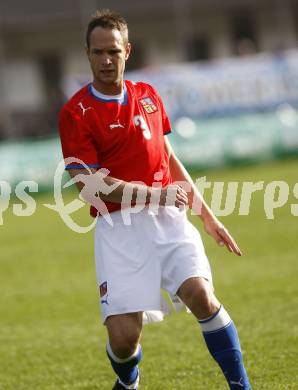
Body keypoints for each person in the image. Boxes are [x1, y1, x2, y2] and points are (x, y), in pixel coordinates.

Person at [58, 9, 251, 390]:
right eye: (98, 53)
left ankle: (241, 387)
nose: (106, 60)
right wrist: (154, 193)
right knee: (124, 339)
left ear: (127, 51)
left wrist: (208, 217)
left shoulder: (147, 96)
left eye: (113, 51)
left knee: (202, 296)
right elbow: (89, 187)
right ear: (87, 54)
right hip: (119, 231)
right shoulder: (76, 113)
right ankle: (129, 382)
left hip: (169, 220)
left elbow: (167, 157)